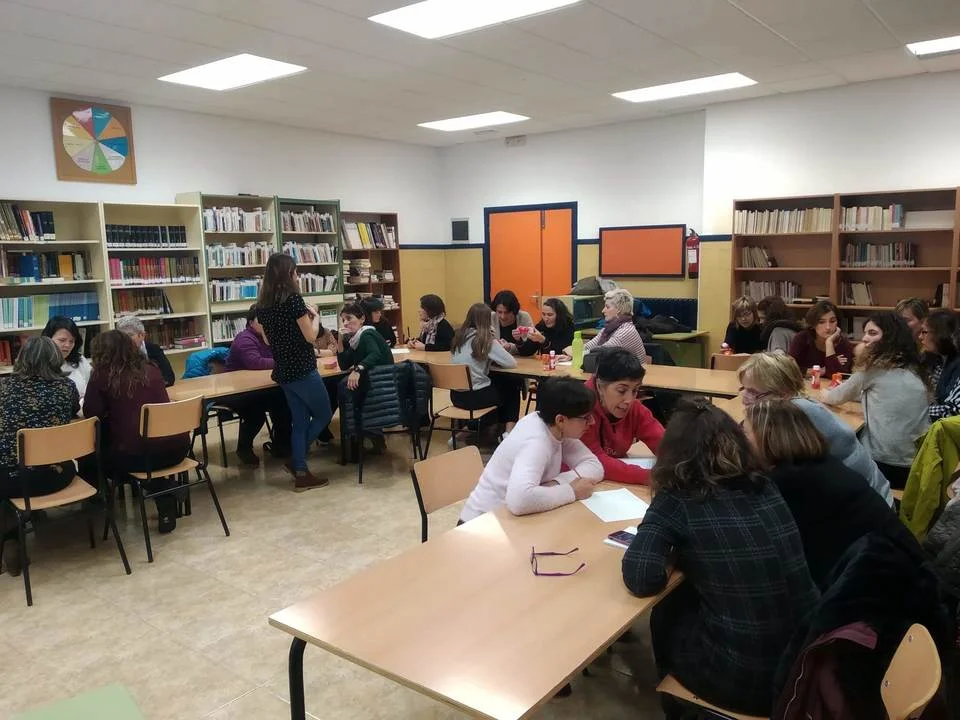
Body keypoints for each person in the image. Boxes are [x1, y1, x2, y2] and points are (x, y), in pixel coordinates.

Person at [621, 399, 818, 717]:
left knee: (667, 610)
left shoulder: (678, 497)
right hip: (805, 664)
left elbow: (641, 578)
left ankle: (678, 708)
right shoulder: (764, 484)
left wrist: (673, 556)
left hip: (745, 682)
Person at [744, 399, 914, 588]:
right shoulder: (818, 463)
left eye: (745, 432)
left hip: (886, 584)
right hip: (903, 562)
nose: (742, 440)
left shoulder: (789, 481)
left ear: (768, 437)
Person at [738, 352, 893, 505]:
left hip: (868, 504)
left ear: (783, 394)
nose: (744, 397)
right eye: (743, 388)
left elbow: (765, 464)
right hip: (861, 495)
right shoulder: (798, 404)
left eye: (753, 392)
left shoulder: (795, 418)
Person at [84, 331, 188, 534]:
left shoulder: (101, 376)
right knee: (137, 445)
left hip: (139, 457)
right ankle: (164, 491)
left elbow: (91, 413)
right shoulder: (152, 368)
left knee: (96, 460)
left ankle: (161, 489)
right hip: (178, 450)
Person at [459, 377, 603, 522]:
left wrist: (556, 483)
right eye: (586, 417)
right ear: (561, 420)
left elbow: (595, 467)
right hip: (482, 522)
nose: (592, 422)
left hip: (510, 520)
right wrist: (571, 491)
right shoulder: (536, 441)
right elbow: (519, 501)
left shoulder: (556, 427)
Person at [0, 336, 81, 575]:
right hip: (52, 475)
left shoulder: (3, 388)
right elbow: (73, 414)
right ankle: (20, 528)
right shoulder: (66, 387)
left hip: (7, 479)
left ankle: (11, 535)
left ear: (22, 358)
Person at [823, 311, 930, 490]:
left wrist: (825, 391)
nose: (864, 338)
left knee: (832, 447)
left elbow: (833, 397)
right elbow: (881, 393)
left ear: (890, 337)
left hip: (885, 466)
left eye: (872, 333)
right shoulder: (914, 367)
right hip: (917, 465)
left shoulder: (873, 370)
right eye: (865, 333)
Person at [256, 254, 332, 491]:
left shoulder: (263, 305)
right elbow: (310, 337)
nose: (298, 277)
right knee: (324, 414)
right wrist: (315, 317)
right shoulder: (294, 300)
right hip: (303, 369)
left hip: (283, 371)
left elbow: (267, 340)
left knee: (299, 422)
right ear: (289, 274)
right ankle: (297, 461)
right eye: (296, 272)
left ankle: (300, 470)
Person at [222, 304, 293, 466]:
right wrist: (284, 361)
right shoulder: (244, 339)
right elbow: (255, 362)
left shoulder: (269, 336)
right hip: (237, 391)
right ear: (251, 322)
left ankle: (281, 445)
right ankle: (244, 448)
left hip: (262, 387)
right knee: (256, 411)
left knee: (284, 401)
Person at [580, 348, 663, 484]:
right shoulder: (580, 410)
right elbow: (593, 461)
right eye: (621, 391)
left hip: (611, 484)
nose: (629, 400)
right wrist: (650, 477)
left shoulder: (635, 409)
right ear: (600, 387)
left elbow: (664, 444)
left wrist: (680, 465)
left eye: (635, 390)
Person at [449, 303, 518, 442]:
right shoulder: (485, 340)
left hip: (456, 396)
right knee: (512, 387)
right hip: (476, 397)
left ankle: (466, 431)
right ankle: (508, 433)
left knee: (495, 388)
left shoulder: (458, 338)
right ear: (487, 321)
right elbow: (511, 363)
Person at [336, 302, 395, 453]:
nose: (346, 323)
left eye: (349, 318)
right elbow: (343, 364)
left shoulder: (367, 334)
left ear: (362, 319)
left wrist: (358, 369)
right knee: (341, 385)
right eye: (343, 320)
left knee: (344, 388)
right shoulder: (355, 340)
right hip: (375, 383)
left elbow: (375, 354)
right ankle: (364, 437)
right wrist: (340, 340)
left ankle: (357, 439)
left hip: (380, 384)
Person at [488, 290, 535, 439]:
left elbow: (530, 349)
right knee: (493, 383)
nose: (502, 316)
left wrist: (513, 345)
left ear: (514, 311)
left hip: (517, 367)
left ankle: (508, 430)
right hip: (495, 365)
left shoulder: (524, 317)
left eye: (506, 312)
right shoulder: (490, 317)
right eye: (499, 312)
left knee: (511, 383)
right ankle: (496, 425)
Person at [575, 288, 647, 363]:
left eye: (607, 307)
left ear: (619, 309)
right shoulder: (608, 328)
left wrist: (575, 354)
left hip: (631, 371)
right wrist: (573, 352)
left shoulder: (626, 332)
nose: (603, 311)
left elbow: (598, 354)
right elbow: (588, 347)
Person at [787, 300, 853, 374]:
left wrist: (829, 343)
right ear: (813, 324)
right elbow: (789, 369)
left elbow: (837, 375)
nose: (828, 327)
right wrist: (822, 370)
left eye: (832, 321)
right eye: (821, 322)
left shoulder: (844, 344)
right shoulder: (802, 338)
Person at [41, 316, 92, 403]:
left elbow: (92, 387)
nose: (67, 345)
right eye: (62, 340)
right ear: (48, 339)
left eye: (71, 341)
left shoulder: (80, 360)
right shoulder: (39, 362)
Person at [921, 308, 960, 421]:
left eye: (924, 332)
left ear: (941, 334)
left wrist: (917, 411)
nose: (920, 337)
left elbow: (954, 410)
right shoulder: (935, 359)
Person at [115, 315, 175, 386]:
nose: (125, 339)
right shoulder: (115, 352)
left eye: (130, 335)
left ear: (142, 335)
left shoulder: (153, 349)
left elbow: (169, 378)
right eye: (122, 336)